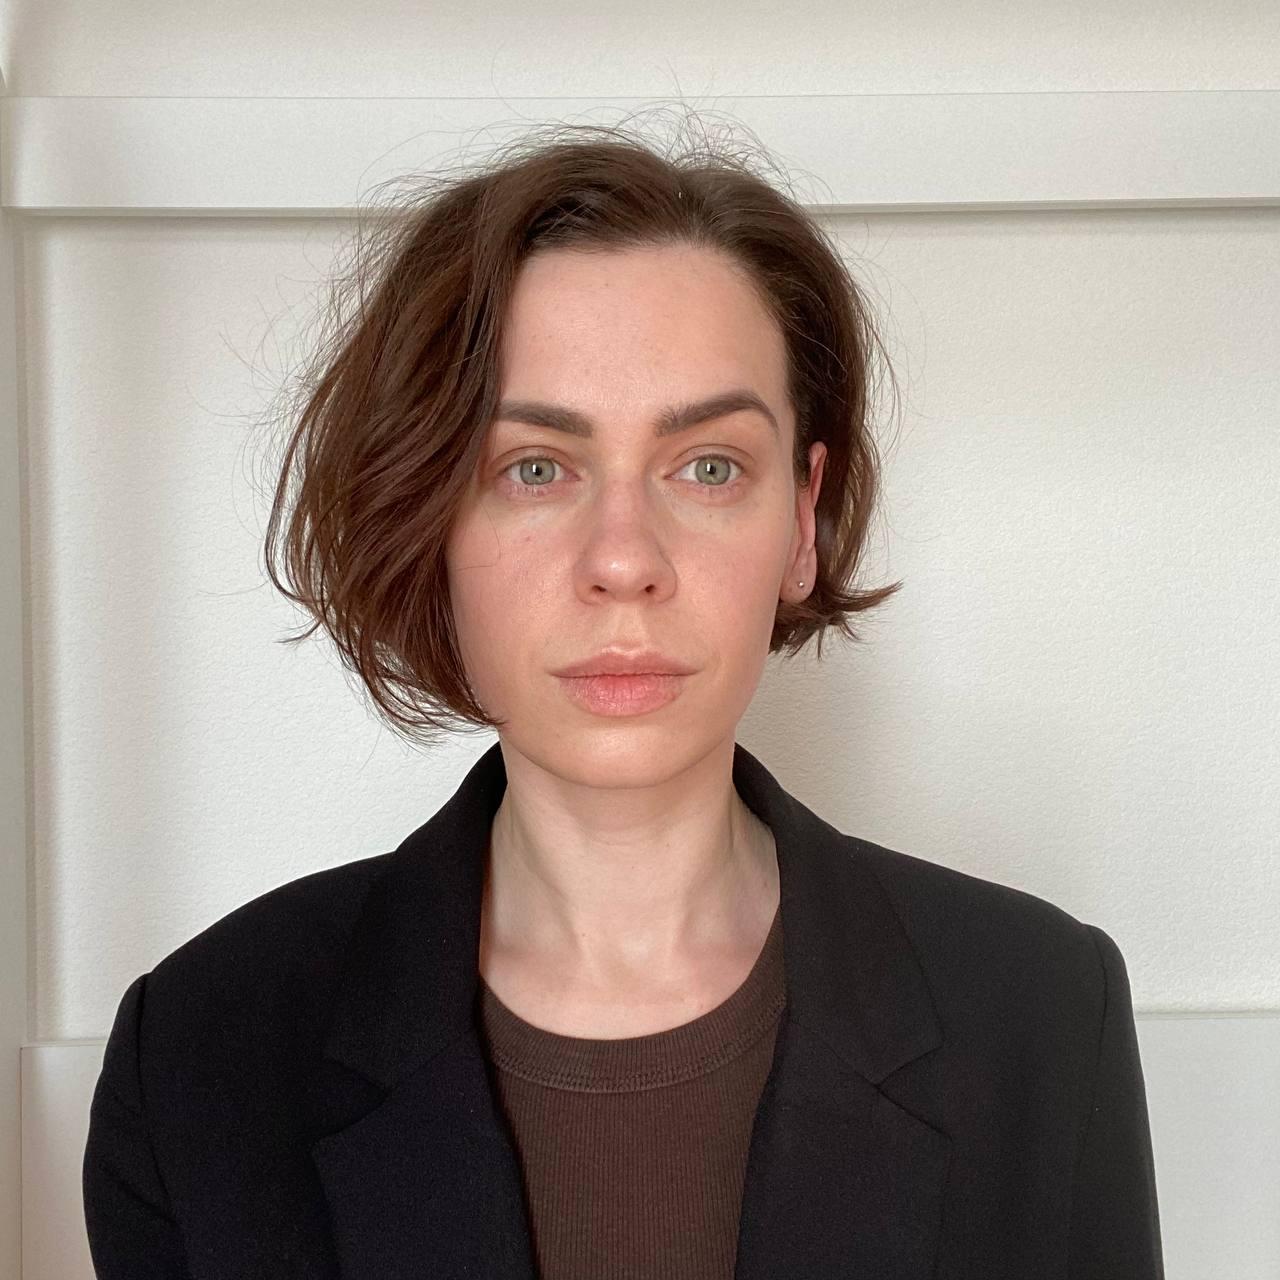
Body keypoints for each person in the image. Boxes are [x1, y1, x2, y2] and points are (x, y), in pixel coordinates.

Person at [82, 115, 1165, 1279]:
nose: (622, 559)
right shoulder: (199, 1051)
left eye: (708, 467)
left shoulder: (1041, 1015)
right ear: (429, 517)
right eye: (533, 468)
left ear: (801, 517)